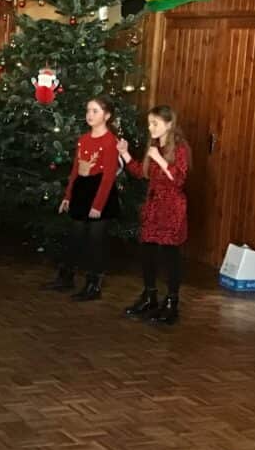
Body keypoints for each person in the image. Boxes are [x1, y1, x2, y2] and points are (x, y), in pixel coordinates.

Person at [43, 97, 120, 303]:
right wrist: (68, 196)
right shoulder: (84, 139)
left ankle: (93, 285)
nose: (89, 115)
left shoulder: (110, 141)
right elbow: (75, 170)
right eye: (88, 110)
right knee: (74, 236)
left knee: (95, 241)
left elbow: (108, 176)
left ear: (107, 116)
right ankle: (66, 277)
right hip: (82, 190)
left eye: (95, 111)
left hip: (100, 192)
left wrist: (98, 205)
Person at [118, 105, 189, 325]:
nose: (151, 128)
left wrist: (159, 158)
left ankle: (172, 303)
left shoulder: (180, 148)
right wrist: (125, 153)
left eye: (155, 123)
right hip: (153, 207)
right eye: (149, 123)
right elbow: (142, 172)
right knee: (147, 252)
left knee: (170, 255)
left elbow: (178, 179)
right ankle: (149, 296)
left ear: (169, 124)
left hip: (171, 208)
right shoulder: (154, 147)